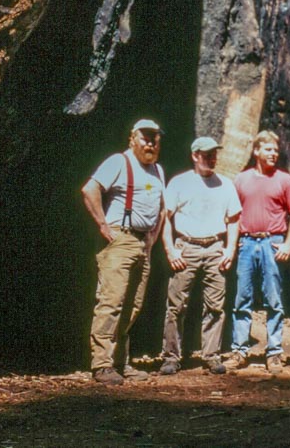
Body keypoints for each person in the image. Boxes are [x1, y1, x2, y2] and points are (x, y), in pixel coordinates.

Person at [81, 118, 167, 385]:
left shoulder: (158, 170)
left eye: (155, 138)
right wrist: (103, 225)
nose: (151, 142)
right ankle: (102, 364)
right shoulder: (119, 162)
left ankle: (120, 361)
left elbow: (161, 208)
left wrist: (153, 238)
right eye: (146, 137)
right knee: (111, 302)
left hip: (143, 243)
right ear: (133, 138)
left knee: (133, 304)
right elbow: (90, 189)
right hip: (120, 240)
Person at [159, 136, 241, 376]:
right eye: (206, 155)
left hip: (215, 246)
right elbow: (165, 219)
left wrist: (230, 249)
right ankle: (171, 357)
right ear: (195, 156)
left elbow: (234, 220)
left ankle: (211, 356)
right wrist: (170, 250)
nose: (211, 159)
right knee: (176, 306)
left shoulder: (225, 184)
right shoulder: (179, 183)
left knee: (215, 306)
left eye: (214, 154)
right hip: (187, 246)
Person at [227, 130, 290, 374]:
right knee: (242, 298)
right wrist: (234, 244)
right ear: (256, 151)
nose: (273, 153)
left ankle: (274, 353)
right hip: (247, 243)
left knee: (274, 300)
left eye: (275, 149)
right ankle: (239, 350)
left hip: (273, 242)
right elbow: (233, 215)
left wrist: (289, 244)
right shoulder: (241, 180)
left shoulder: (284, 180)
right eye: (268, 149)